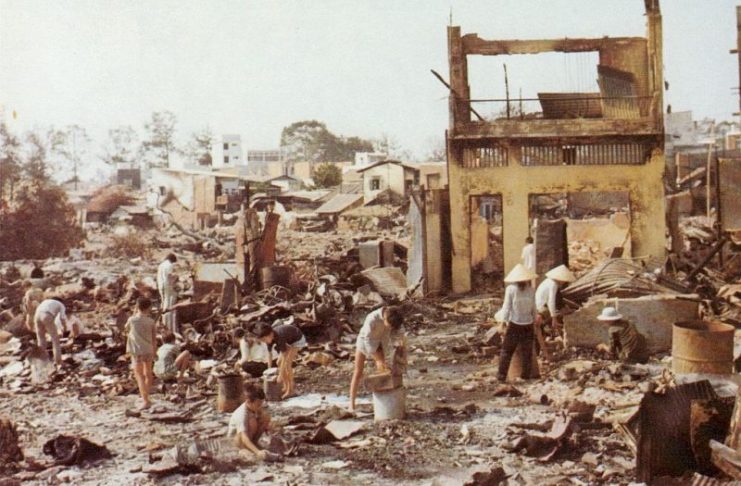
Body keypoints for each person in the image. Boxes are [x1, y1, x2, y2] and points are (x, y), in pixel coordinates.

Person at [349, 305, 404, 411]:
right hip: (364, 342)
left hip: (380, 343)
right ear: (385, 318)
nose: (390, 328)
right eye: (389, 326)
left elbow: (399, 330)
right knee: (358, 372)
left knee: (384, 370)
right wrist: (377, 358)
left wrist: (399, 343)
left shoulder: (394, 315)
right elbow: (367, 340)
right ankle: (351, 404)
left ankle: (383, 404)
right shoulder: (372, 318)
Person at [496, 264, 539, 382]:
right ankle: (525, 376)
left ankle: (501, 376)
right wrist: (535, 319)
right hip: (527, 324)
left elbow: (507, 307)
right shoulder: (531, 290)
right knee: (527, 352)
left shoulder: (511, 289)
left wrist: (502, 322)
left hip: (515, 324)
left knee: (507, 351)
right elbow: (533, 308)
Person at [254, 322, 306, 399]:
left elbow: (285, 357)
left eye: (264, 340)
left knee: (287, 365)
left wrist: (280, 375)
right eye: (263, 341)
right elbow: (269, 355)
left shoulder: (279, 337)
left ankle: (291, 390)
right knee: (278, 362)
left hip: (297, 340)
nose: (264, 342)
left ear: (270, 334)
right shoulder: (269, 339)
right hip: (288, 341)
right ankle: (285, 386)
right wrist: (268, 371)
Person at [534, 264, 576, 357]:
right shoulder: (553, 284)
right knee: (541, 329)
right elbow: (551, 301)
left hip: (541, 307)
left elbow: (558, 300)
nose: (563, 282)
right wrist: (554, 318)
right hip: (541, 308)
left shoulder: (549, 282)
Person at [125, 297, 157, 409]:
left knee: (139, 375)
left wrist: (135, 312)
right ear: (149, 308)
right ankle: (146, 396)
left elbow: (125, 329)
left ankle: (145, 400)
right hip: (148, 349)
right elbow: (154, 339)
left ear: (137, 307)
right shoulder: (151, 321)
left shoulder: (132, 320)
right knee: (148, 373)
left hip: (137, 350)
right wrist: (155, 351)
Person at [227, 383, 271, 460]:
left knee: (266, 417)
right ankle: (244, 449)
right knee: (252, 421)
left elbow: (263, 417)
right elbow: (244, 437)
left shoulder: (253, 408)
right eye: (258, 404)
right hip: (237, 440)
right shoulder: (241, 414)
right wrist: (258, 452)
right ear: (248, 402)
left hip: (248, 435)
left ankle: (254, 443)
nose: (260, 406)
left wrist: (266, 427)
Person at [33, 298, 70, 365]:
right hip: (46, 315)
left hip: (36, 315)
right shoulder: (61, 305)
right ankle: (58, 361)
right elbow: (62, 318)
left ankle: (41, 362)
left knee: (41, 339)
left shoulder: (46, 301)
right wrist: (65, 328)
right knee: (55, 340)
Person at [157, 253, 178, 333]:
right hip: (168, 287)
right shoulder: (169, 265)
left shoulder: (161, 265)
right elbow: (169, 276)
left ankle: (164, 325)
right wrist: (176, 278)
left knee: (164, 305)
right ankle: (171, 329)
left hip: (161, 286)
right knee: (171, 308)